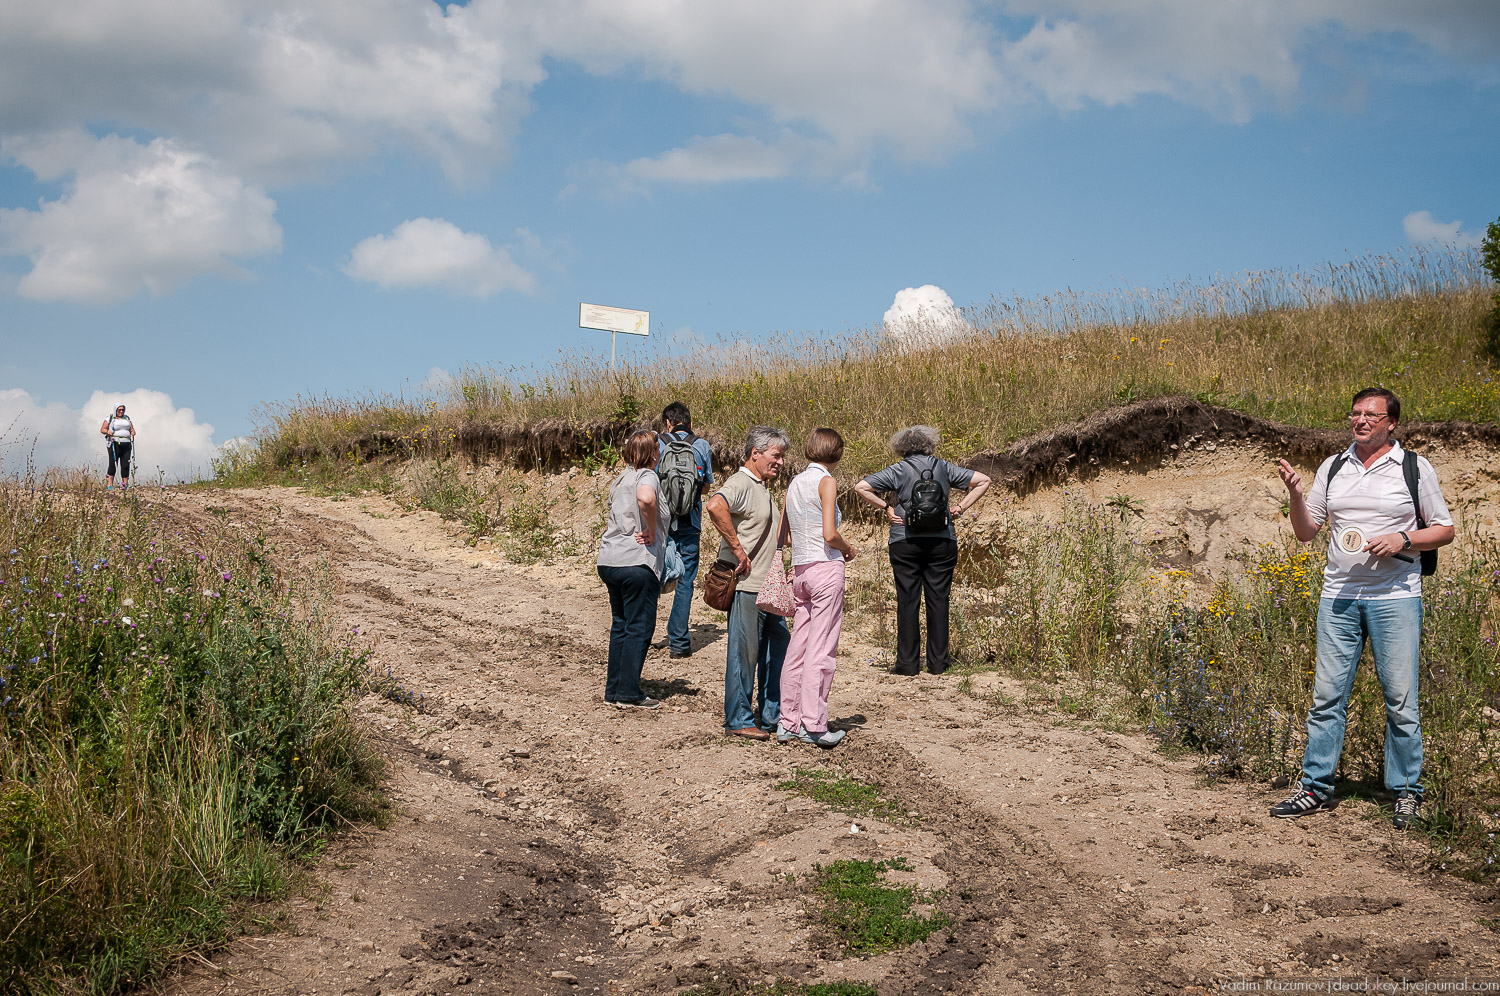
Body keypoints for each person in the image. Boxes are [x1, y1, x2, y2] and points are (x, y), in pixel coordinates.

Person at [1271, 388, 1454, 829]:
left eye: (1371, 414)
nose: (1361, 420)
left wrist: (1402, 539)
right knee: (1327, 698)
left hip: (1396, 598)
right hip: (1338, 596)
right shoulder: (1333, 466)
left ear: (1392, 422)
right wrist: (1295, 494)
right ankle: (1315, 787)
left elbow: (1445, 529)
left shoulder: (1414, 468)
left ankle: (1406, 793)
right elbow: (1306, 532)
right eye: (1355, 413)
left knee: (1401, 701)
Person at [854, 426, 992, 676]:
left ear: (901, 448)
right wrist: (960, 508)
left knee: (908, 600)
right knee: (939, 600)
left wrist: (886, 508)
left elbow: (861, 487)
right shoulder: (944, 467)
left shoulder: (898, 470)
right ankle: (938, 663)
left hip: (904, 541)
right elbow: (984, 480)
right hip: (942, 541)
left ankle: (907, 664)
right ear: (929, 445)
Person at [704, 426, 791, 740]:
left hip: (767, 589)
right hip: (747, 587)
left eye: (782, 457)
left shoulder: (762, 488)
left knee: (777, 649)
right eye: (776, 455)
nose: (780, 462)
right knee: (744, 655)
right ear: (756, 453)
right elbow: (715, 506)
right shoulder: (742, 482)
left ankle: (770, 717)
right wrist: (738, 550)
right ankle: (738, 719)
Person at [777, 428, 858, 748]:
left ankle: (788, 721)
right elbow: (829, 534)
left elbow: (784, 536)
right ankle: (814, 724)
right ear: (837, 454)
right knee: (821, 649)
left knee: (798, 647)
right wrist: (848, 548)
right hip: (825, 568)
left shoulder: (794, 482)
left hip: (800, 571)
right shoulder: (827, 481)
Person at [596, 429, 672, 710]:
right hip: (636, 562)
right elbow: (646, 499)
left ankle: (614, 689)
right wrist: (650, 529)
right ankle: (628, 692)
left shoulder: (621, 478)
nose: (660, 453)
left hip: (610, 560)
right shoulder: (647, 475)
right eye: (658, 448)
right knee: (640, 626)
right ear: (652, 453)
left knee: (621, 625)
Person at [655, 402, 715, 659]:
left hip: (662, 523)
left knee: (652, 576)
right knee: (686, 581)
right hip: (690, 523)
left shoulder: (658, 444)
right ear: (690, 423)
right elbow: (706, 487)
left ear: (668, 423)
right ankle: (679, 642)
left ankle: (643, 634)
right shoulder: (702, 446)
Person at [100, 404, 135, 490]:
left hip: (126, 443)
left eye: (123, 410)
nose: (121, 411)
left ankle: (125, 484)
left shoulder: (127, 418)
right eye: (119, 410)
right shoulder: (110, 418)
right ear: (115, 410)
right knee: (112, 463)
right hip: (114, 443)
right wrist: (108, 432)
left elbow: (131, 429)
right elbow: (102, 429)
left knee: (126, 464)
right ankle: (110, 484)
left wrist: (133, 432)